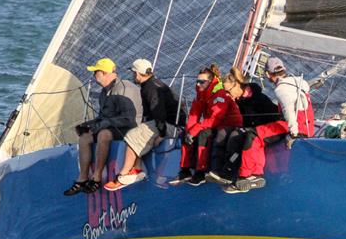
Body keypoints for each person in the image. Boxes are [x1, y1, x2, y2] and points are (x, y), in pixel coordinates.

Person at [223, 57, 313, 194]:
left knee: (253, 134)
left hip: (295, 127)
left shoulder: (281, 89)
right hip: (306, 125)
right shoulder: (299, 82)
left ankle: (248, 175)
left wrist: (293, 134)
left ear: (267, 74)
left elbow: (289, 111)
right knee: (256, 132)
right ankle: (255, 174)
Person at [64, 58, 142, 196]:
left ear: (105, 73)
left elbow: (128, 118)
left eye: (96, 72)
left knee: (103, 134)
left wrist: (102, 125)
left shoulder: (124, 88)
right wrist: (88, 125)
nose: (94, 75)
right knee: (85, 137)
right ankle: (82, 178)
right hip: (113, 127)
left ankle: (97, 177)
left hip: (130, 129)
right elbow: (103, 116)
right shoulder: (104, 92)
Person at [103, 58, 183, 191]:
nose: (133, 76)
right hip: (166, 123)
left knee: (133, 135)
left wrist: (162, 134)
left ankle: (123, 175)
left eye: (134, 73)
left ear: (137, 73)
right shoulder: (152, 84)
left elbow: (159, 113)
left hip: (171, 126)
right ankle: (137, 169)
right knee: (138, 132)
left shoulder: (151, 88)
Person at [206, 67, 282, 185]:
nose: (227, 95)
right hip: (250, 128)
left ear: (236, 86)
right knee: (224, 133)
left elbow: (272, 117)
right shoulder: (239, 100)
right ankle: (218, 169)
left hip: (267, 129)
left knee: (236, 137)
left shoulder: (258, 98)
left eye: (228, 91)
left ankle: (229, 172)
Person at [169, 65, 242, 186]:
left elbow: (216, 118)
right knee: (185, 134)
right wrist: (190, 131)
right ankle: (186, 170)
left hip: (228, 124)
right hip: (213, 124)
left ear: (209, 81)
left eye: (201, 82)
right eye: (197, 81)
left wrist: (196, 130)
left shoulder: (220, 93)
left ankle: (201, 172)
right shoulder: (201, 92)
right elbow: (194, 113)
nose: (198, 84)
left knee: (203, 134)